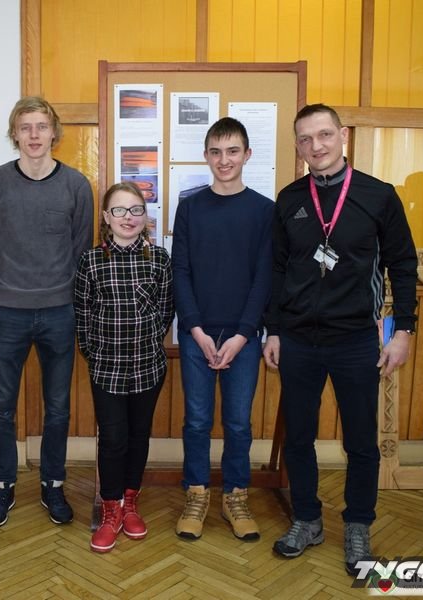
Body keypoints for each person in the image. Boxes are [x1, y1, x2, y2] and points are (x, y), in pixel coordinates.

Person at [263, 104, 418, 575]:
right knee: (298, 437)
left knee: (361, 441)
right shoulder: (289, 199)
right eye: (306, 139)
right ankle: (308, 519)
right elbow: (277, 269)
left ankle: (358, 525)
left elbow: (403, 265)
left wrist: (403, 330)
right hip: (298, 341)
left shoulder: (378, 196)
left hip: (355, 340)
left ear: (343, 135)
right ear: (298, 146)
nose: (317, 146)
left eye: (325, 134)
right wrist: (273, 329)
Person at [0, 96, 94, 526]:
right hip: (9, 310)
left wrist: (58, 290)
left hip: (60, 311)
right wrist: (11, 285)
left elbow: (81, 247)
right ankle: (2, 484)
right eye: (25, 127)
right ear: (14, 134)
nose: (33, 135)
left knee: (58, 407)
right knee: (0, 407)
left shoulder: (76, 185)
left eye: (41, 126)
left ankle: (53, 483)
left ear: (54, 133)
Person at [172, 117, 274, 542]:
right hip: (196, 334)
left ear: (247, 155)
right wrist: (195, 330)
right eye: (216, 152)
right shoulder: (190, 207)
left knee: (237, 423)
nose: (224, 159)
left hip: (243, 337)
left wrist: (243, 334)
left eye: (233, 151)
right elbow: (180, 271)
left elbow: (264, 278)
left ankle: (236, 496)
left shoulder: (265, 211)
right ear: (206, 156)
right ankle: (196, 494)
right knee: (197, 421)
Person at [74, 182, 174, 553]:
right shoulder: (91, 261)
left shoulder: (159, 259)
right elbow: (82, 314)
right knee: (113, 438)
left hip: (148, 367)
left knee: (138, 435)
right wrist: (95, 352)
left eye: (135, 210)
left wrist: (146, 342)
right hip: (107, 369)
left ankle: (131, 500)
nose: (127, 217)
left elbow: (166, 310)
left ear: (145, 216)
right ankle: (111, 507)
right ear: (106, 217)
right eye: (119, 210)